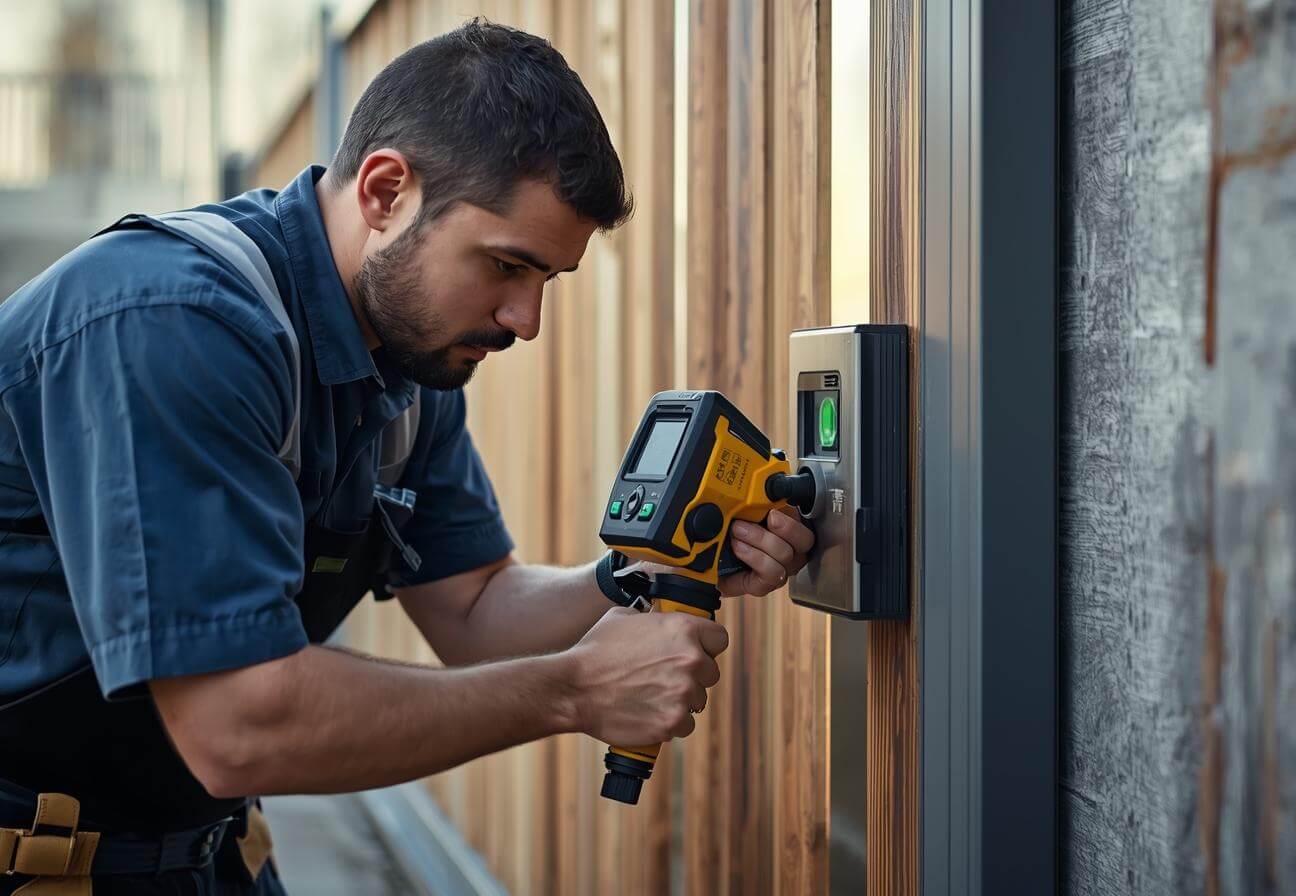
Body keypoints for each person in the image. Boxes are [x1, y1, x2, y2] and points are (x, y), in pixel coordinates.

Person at [0, 20, 812, 895]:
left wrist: (645, 573)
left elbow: (476, 607)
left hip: (211, 858)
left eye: (547, 281)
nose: (526, 321)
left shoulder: (407, 364)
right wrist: (573, 690)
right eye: (505, 266)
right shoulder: (171, 327)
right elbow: (237, 724)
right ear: (387, 191)